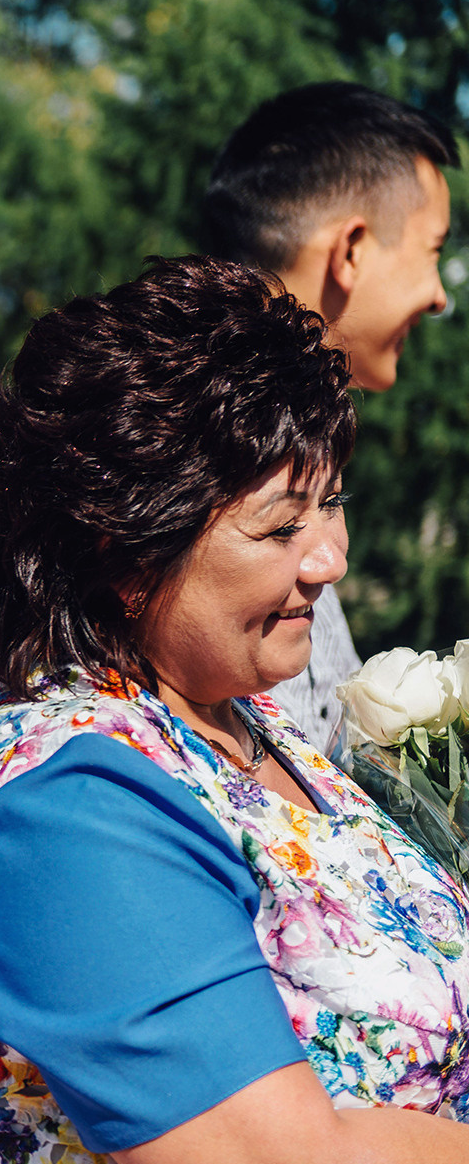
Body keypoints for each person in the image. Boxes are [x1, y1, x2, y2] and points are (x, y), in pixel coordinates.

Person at [0, 255, 469, 1164]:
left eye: (328, 505)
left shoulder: (242, 728)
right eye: (279, 526)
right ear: (122, 546)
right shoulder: (67, 807)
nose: (328, 558)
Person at [205, 82, 458, 753]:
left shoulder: (304, 443)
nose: (439, 296)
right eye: (433, 250)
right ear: (349, 250)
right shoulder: (195, 451)